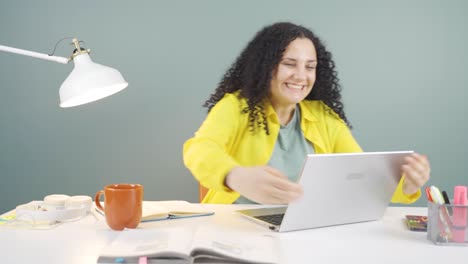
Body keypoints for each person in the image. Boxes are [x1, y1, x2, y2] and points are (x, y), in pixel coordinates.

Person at [183, 22, 430, 204]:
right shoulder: (236, 107)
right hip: (235, 229)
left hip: (302, 230)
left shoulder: (323, 116)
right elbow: (199, 148)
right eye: (289, 64)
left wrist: (406, 184)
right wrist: (235, 176)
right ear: (265, 67)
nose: (301, 76)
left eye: (310, 67)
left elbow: (360, 175)